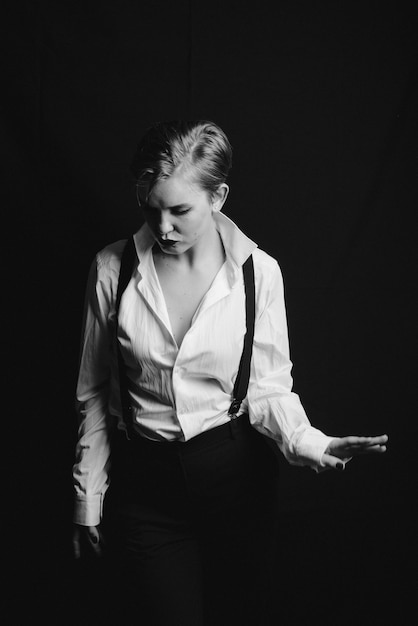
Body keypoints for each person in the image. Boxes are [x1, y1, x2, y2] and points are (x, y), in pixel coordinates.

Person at [72, 120, 388, 625]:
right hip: (147, 489)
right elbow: (93, 393)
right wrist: (87, 498)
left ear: (218, 196)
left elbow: (267, 388)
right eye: (151, 208)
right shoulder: (111, 269)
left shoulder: (258, 273)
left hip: (236, 483)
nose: (163, 226)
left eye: (180, 211)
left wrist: (313, 443)